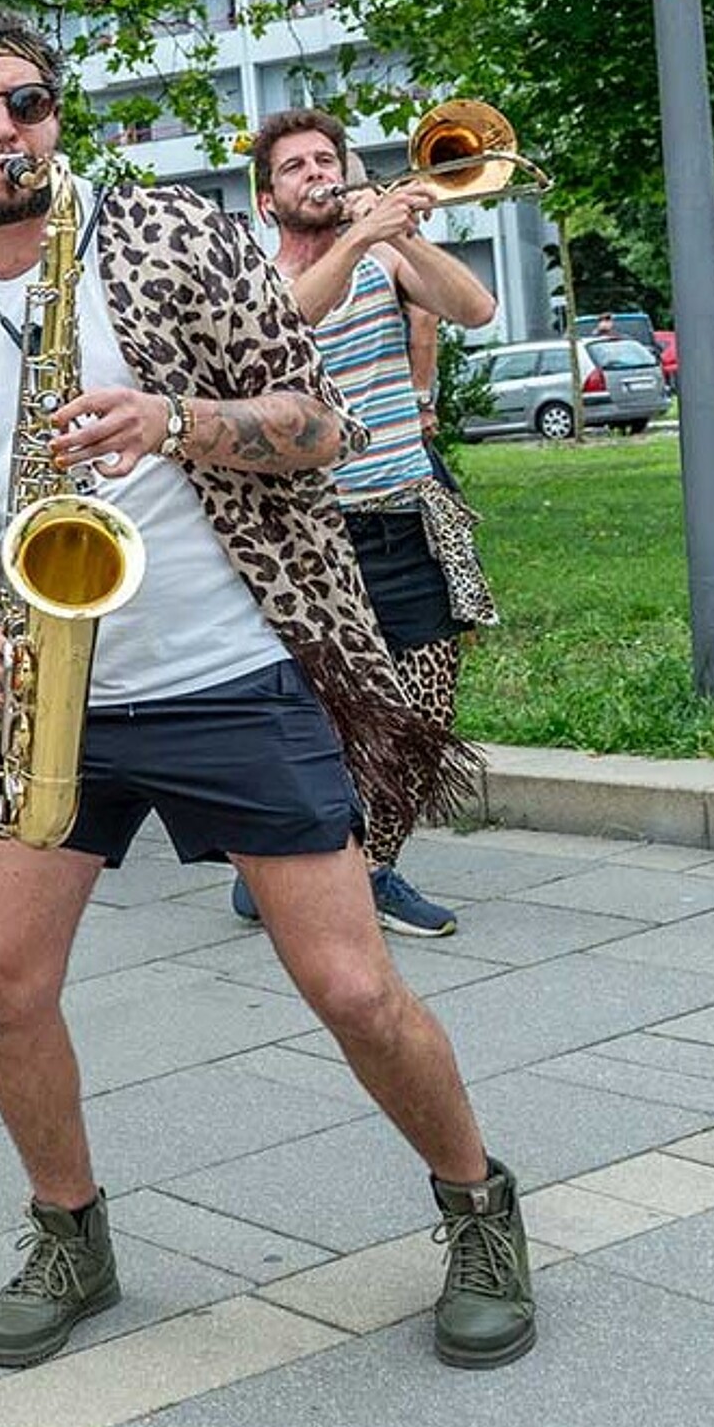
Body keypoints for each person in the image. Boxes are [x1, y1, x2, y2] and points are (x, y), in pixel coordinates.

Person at [0, 3, 530, 1373]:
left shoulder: (165, 236)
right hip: (47, 688)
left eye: (26, 103)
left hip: (226, 668)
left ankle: (479, 1206)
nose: (5, 132)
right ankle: (71, 1232)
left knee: (347, 984)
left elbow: (313, 424)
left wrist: (172, 421)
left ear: (56, 116)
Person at [248, 106, 502, 938]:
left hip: (401, 517)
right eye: (296, 167)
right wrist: (357, 242)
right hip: (310, 538)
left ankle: (374, 869)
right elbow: (283, 330)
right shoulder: (254, 276)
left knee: (424, 715)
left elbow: (475, 309)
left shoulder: (384, 254)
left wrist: (400, 236)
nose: (319, 174)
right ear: (267, 199)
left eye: (328, 159)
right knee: (318, 724)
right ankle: (295, 864)